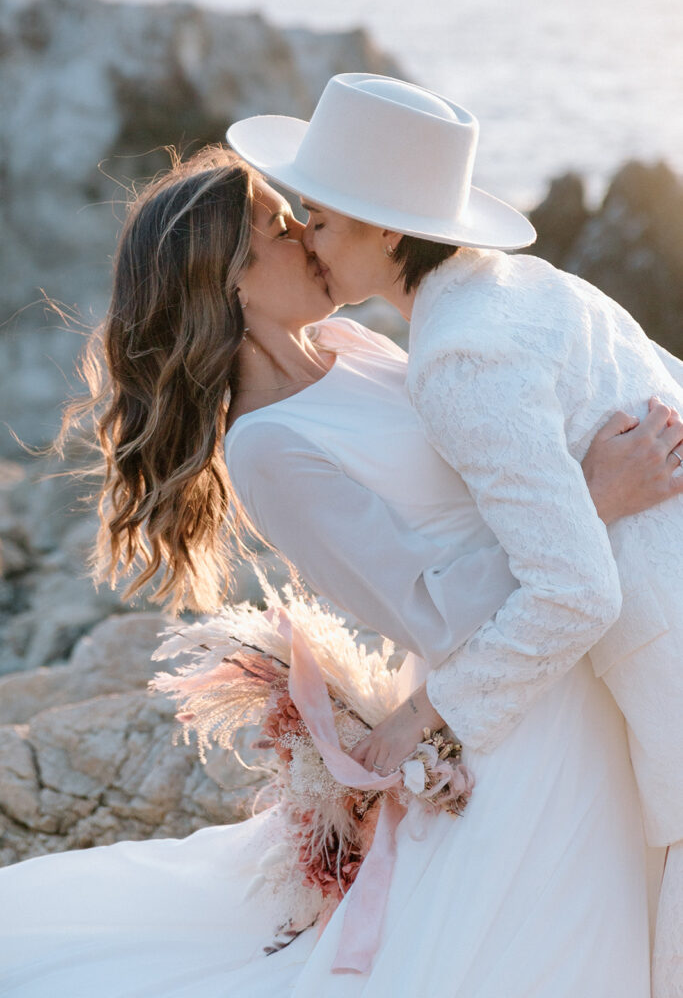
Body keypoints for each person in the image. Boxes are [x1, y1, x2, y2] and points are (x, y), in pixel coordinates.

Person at [0, 145, 679, 997]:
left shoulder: (351, 343)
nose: (314, 238)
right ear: (234, 280)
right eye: (284, 228)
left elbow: (499, 463)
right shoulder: (270, 447)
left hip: (562, 644)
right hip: (520, 712)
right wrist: (590, 501)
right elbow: (429, 613)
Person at [227, 72, 683, 993]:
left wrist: (423, 715)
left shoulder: (450, 353)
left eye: (315, 214)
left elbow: (570, 585)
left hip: (635, 655)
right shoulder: (521, 286)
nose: (306, 234)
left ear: (387, 228)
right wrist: (586, 495)